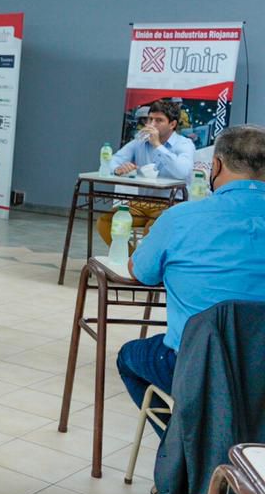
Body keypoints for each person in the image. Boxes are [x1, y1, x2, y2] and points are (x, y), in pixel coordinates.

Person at [116, 124, 265, 410]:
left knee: (129, 357)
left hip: (197, 366)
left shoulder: (180, 218)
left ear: (216, 165)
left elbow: (141, 272)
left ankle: (182, 437)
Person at [95, 98, 195, 244]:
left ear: (172, 124)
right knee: (106, 222)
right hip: (142, 203)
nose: (151, 124)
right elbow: (112, 161)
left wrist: (158, 145)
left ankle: (141, 258)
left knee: (153, 230)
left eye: (159, 120)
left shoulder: (184, 144)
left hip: (172, 204)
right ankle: (132, 257)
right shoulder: (140, 141)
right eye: (150, 119)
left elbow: (182, 172)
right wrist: (118, 169)